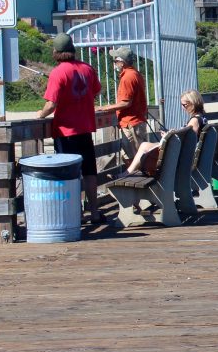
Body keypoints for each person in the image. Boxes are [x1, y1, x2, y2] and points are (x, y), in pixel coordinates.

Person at [36, 33, 104, 224]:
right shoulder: (87, 69)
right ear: (72, 50)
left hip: (66, 132)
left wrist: (40, 115)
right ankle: (95, 212)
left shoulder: (58, 72)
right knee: (89, 171)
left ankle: (77, 214)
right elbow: (96, 91)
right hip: (86, 128)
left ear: (56, 52)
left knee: (71, 174)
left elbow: (51, 105)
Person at [126, 90, 206, 176]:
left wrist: (168, 138)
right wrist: (169, 135)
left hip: (180, 158)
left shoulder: (194, 121)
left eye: (184, 105)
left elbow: (188, 142)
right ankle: (128, 173)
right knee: (144, 145)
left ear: (192, 103)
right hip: (183, 154)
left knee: (144, 146)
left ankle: (127, 173)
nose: (183, 108)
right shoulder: (201, 118)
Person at [97, 47, 148, 162]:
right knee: (138, 155)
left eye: (115, 60)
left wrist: (104, 108)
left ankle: (134, 178)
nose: (114, 63)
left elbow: (126, 103)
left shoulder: (127, 77)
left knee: (133, 157)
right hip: (136, 121)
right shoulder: (135, 74)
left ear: (122, 62)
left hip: (131, 123)